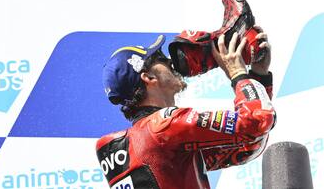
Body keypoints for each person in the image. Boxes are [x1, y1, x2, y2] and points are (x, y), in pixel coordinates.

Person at [97, 27, 276, 189]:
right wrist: (237, 73)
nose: (169, 62)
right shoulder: (163, 127)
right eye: (159, 58)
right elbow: (258, 121)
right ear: (149, 77)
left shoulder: (147, 143)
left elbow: (247, 146)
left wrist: (259, 76)